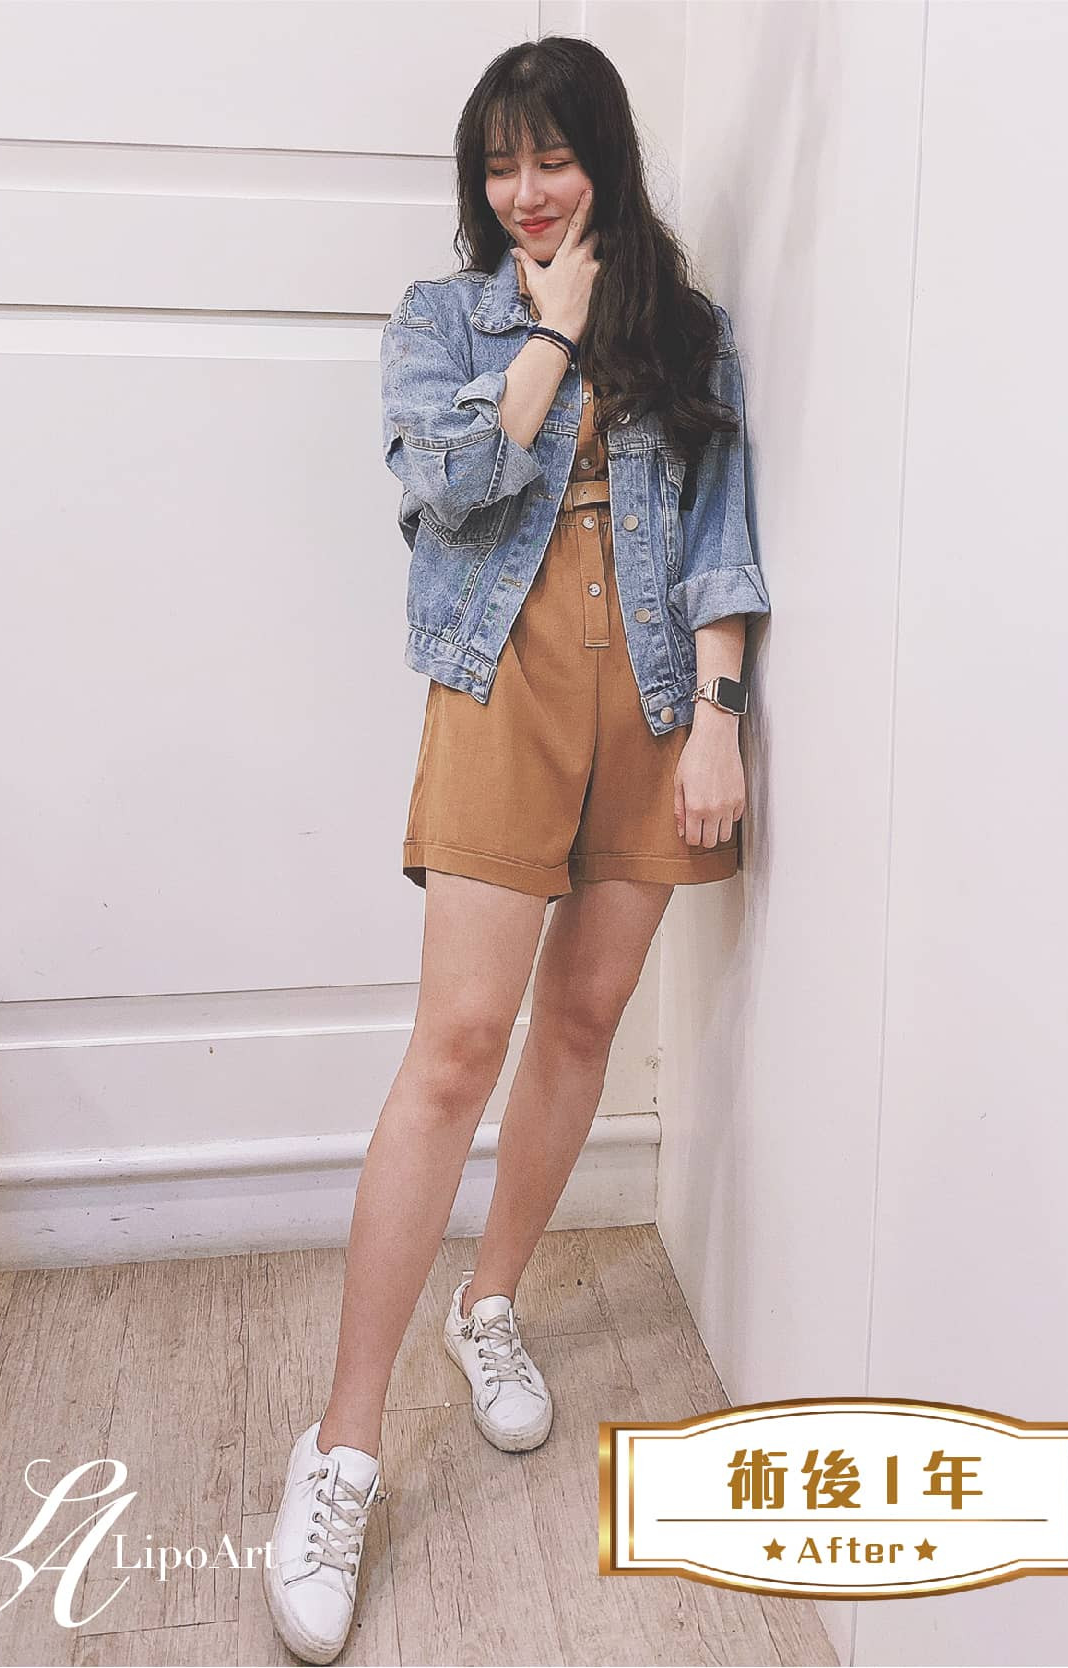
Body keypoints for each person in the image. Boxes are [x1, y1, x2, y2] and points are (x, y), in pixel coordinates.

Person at [263, 34, 772, 1665]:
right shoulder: (444, 319)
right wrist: (547, 329)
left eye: (551, 158)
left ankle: (488, 1304)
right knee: (455, 1048)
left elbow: (719, 539)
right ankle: (342, 1447)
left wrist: (717, 721)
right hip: (500, 687)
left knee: (581, 1019)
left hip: (652, 698)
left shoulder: (684, 329)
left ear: (603, 158)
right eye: (499, 164)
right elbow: (456, 490)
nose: (525, 191)